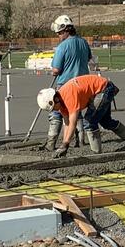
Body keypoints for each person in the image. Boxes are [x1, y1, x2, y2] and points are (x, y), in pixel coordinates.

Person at [38, 73, 125, 157]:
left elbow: (73, 123)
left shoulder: (68, 96)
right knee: (106, 122)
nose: (54, 110)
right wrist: (63, 145)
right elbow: (67, 123)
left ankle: (97, 154)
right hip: (100, 90)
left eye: (53, 108)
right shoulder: (61, 103)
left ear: (55, 99)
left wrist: (66, 144)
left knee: (89, 122)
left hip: (104, 89)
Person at [45, 15, 94, 152]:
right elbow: (88, 58)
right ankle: (80, 141)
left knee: (56, 112)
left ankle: (51, 143)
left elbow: (56, 69)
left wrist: (54, 71)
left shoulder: (62, 46)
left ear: (66, 30)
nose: (58, 36)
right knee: (76, 112)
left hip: (66, 85)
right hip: (83, 84)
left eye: (60, 33)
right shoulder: (83, 42)